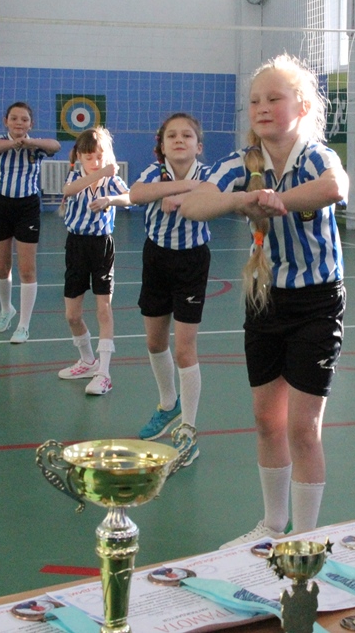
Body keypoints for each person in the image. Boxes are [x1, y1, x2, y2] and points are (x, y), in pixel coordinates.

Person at [180, 53, 349, 548]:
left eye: (274, 97)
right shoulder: (243, 163)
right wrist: (241, 200)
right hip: (265, 301)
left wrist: (280, 201)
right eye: (255, 99)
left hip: (317, 301)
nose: (262, 106)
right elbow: (195, 203)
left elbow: (335, 187)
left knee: (302, 426)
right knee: (265, 419)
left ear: (300, 105)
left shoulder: (314, 154)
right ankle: (273, 524)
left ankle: (307, 538)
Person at [131, 113, 211, 465]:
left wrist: (187, 195)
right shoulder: (154, 174)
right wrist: (178, 189)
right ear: (161, 147)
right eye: (172, 136)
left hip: (192, 262)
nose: (180, 140)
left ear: (198, 146)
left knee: (184, 349)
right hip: (157, 259)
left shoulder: (208, 177)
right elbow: (136, 195)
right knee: (154, 341)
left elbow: (216, 194)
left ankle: (188, 432)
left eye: (187, 135)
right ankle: (168, 405)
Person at [56, 127, 129, 396]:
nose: (94, 161)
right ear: (79, 157)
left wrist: (111, 198)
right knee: (72, 315)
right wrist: (101, 172)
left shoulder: (110, 179)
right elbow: (69, 189)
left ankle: (104, 372)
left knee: (103, 310)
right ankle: (88, 361)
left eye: (99, 157)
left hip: (101, 246)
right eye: (89, 157)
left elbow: (130, 197)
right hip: (76, 245)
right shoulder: (77, 174)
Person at [0, 102, 61, 343]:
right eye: (14, 118)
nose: (19, 123)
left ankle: (24, 325)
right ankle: (6, 310)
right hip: (0, 205)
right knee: (1, 266)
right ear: (5, 121)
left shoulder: (34, 147)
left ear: (31, 124)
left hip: (26, 207)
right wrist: (14, 143)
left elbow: (55, 146)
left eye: (24, 119)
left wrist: (30, 142)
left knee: (27, 269)